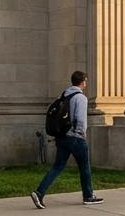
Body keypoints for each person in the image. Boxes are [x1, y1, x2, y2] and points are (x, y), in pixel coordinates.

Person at [31, 71, 102, 208]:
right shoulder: (81, 97)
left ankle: (39, 193)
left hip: (61, 136)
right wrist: (82, 133)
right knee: (84, 167)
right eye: (85, 81)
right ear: (82, 82)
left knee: (57, 167)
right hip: (75, 138)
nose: (86, 83)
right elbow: (80, 119)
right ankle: (88, 196)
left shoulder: (63, 94)